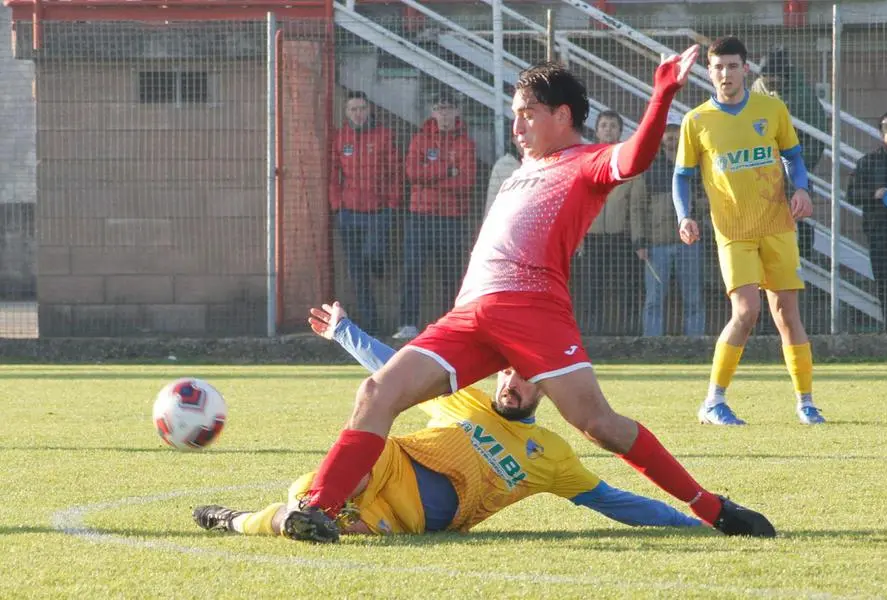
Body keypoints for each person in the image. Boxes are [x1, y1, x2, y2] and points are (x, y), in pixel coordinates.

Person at [285, 48, 776, 544]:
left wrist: (662, 94)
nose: (517, 125)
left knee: (598, 425)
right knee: (376, 393)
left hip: (531, 311)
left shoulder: (588, 161)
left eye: (528, 113)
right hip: (471, 314)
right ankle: (318, 510)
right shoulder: (522, 168)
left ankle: (713, 508)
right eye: (515, 114)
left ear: (562, 116)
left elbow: (635, 156)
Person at [193, 301, 703, 538]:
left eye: (525, 378)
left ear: (546, 387)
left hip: (412, 517)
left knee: (330, 530)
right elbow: (388, 370)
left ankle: (245, 521)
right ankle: (265, 516)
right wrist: (346, 331)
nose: (511, 383)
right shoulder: (464, 398)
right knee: (325, 494)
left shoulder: (553, 455)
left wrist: (694, 520)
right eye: (506, 373)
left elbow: (616, 502)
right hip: (389, 465)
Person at [673, 37, 824, 426]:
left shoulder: (771, 109)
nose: (726, 73)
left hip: (777, 224)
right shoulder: (697, 121)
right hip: (733, 229)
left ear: (746, 69)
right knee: (747, 311)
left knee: (786, 312)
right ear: (710, 72)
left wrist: (802, 188)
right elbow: (682, 176)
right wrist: (684, 215)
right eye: (719, 66)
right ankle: (713, 400)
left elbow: (793, 156)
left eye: (733, 66)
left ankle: (806, 402)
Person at [393, 93, 477, 341]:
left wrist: (431, 177)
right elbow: (412, 173)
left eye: (449, 108)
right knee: (412, 271)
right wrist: (447, 170)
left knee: (450, 273)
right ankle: (408, 323)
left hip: (452, 217)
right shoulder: (420, 140)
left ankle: (451, 326)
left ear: (457, 112)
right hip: (420, 216)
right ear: (433, 112)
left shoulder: (465, 144)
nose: (445, 114)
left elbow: (466, 182)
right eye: (440, 109)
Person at [330, 91, 402, 333]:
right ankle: (371, 324)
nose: (358, 114)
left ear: (369, 110)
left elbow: (394, 170)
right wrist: (336, 204)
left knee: (373, 255)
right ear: (346, 112)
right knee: (357, 271)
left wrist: (392, 203)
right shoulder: (341, 138)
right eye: (353, 109)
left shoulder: (383, 135)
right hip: (348, 212)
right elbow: (333, 174)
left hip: (378, 211)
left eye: (361, 108)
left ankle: (379, 265)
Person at [751, 46, 830, 262]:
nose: (772, 83)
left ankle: (801, 258)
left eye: (776, 79)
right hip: (764, 167)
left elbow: (817, 133)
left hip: (796, 163)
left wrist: (802, 165)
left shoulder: (801, 96)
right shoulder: (758, 88)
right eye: (768, 78)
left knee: (799, 214)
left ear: (785, 77)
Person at [572, 110, 645, 335]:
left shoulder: (628, 160)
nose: (608, 129)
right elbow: (578, 202)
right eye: (604, 125)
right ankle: (591, 336)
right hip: (592, 238)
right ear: (597, 130)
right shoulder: (586, 159)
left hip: (620, 237)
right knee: (592, 288)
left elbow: (636, 206)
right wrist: (578, 237)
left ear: (620, 131)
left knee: (626, 288)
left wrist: (638, 240)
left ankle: (627, 335)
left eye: (613, 126)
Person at [632, 113, 706, 337]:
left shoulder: (696, 167)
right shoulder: (650, 169)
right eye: (668, 133)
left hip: (690, 243)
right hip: (657, 245)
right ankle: (652, 345)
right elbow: (637, 208)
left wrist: (698, 205)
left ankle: (695, 344)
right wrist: (640, 241)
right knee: (654, 298)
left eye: (676, 133)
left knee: (693, 297)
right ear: (662, 137)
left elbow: (708, 201)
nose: (672, 137)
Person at [847, 111, 887, 334]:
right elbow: (851, 195)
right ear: (880, 132)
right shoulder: (868, 162)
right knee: (886, 283)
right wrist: (873, 193)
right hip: (880, 232)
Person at [484, 139, 523, 218]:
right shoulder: (503, 165)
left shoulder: (544, 164)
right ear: (513, 139)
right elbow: (491, 202)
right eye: (518, 135)